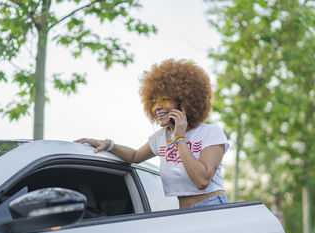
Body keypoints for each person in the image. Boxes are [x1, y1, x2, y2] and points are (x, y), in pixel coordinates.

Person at [76, 59, 230, 209]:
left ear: (184, 101)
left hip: (212, 207)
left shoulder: (210, 132)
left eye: (164, 100)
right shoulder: (160, 138)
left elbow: (202, 180)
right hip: (183, 213)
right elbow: (134, 156)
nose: (156, 107)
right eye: (153, 102)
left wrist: (180, 138)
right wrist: (108, 144)